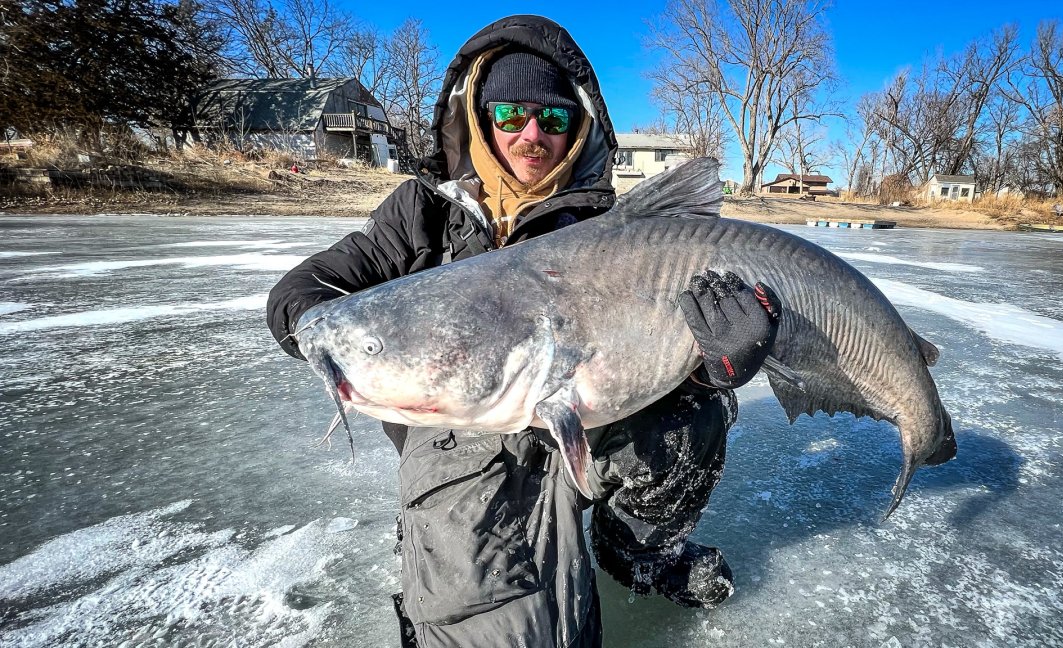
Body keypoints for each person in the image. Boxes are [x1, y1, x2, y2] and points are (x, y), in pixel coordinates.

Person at [266, 15, 778, 648]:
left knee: (698, 411)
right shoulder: (421, 212)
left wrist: (717, 361)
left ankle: (636, 547)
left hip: (578, 409)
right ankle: (437, 534)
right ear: (480, 118)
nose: (532, 136)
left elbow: (656, 340)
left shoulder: (609, 229)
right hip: (461, 432)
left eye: (555, 119)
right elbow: (304, 290)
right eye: (511, 115)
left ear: (580, 128)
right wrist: (318, 333)